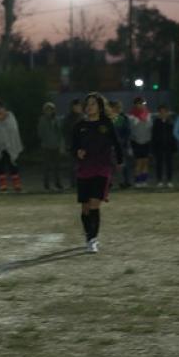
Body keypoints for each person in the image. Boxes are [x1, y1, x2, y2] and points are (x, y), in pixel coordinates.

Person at [72, 93, 124, 254]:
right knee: (85, 208)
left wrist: (120, 161)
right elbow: (73, 147)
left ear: (100, 107)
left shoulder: (106, 124)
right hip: (84, 170)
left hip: (102, 169)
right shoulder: (79, 126)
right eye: (87, 104)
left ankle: (93, 240)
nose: (89, 107)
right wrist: (77, 152)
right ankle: (89, 235)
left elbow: (117, 143)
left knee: (95, 204)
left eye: (93, 104)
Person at [0, 100, 23, 192]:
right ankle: (3, 184)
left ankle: (16, 184)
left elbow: (13, 129)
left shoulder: (10, 117)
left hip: (10, 145)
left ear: (4, 108)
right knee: (0, 164)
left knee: (12, 164)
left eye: (0, 108)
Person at [37, 102, 64, 191]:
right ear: (44, 111)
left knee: (57, 167)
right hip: (46, 146)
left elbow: (60, 132)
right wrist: (46, 141)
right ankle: (46, 184)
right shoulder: (42, 119)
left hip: (56, 146)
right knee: (46, 167)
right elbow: (40, 133)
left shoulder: (56, 119)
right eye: (47, 109)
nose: (49, 111)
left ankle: (58, 183)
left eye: (51, 109)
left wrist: (60, 144)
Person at [128, 96, 153, 188]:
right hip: (136, 141)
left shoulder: (148, 114)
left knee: (145, 162)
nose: (141, 106)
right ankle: (137, 181)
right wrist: (139, 120)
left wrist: (145, 119)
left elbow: (150, 127)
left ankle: (144, 180)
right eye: (139, 104)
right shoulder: (131, 116)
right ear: (135, 105)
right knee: (138, 162)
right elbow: (132, 128)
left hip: (146, 141)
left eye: (143, 104)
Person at [61, 99, 84, 189]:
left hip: (83, 145)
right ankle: (73, 183)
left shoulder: (83, 117)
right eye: (76, 106)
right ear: (72, 107)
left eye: (79, 106)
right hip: (73, 145)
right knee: (73, 165)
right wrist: (68, 143)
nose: (78, 108)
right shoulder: (68, 119)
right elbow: (65, 132)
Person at [108, 100, 132, 189]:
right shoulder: (108, 118)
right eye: (116, 107)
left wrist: (123, 141)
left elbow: (127, 131)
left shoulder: (123, 118)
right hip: (110, 145)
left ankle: (125, 181)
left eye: (119, 107)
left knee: (123, 164)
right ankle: (109, 182)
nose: (118, 109)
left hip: (121, 145)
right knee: (110, 165)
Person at [151, 104, 176, 188]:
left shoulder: (171, 122)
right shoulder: (156, 122)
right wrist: (153, 147)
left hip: (169, 146)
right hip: (158, 146)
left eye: (164, 112)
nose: (163, 113)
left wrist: (174, 147)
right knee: (159, 164)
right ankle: (159, 181)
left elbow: (173, 135)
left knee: (169, 164)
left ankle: (169, 180)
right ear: (158, 113)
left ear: (167, 113)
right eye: (161, 112)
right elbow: (153, 136)